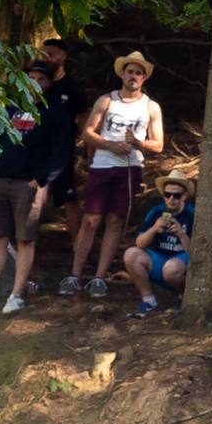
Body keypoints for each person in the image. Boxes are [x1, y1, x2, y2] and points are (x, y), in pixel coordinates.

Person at [0, 61, 72, 315]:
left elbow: (62, 151)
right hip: (0, 181)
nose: (34, 83)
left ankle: (17, 294)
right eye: (30, 78)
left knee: (24, 239)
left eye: (41, 79)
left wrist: (41, 180)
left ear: (49, 83)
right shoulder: (9, 108)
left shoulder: (54, 112)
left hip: (28, 184)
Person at [60, 50, 164, 299]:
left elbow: (158, 144)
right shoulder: (107, 100)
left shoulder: (150, 106)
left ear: (144, 78)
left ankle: (99, 277)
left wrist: (138, 143)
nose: (134, 76)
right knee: (91, 220)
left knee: (116, 221)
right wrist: (110, 145)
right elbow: (87, 132)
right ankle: (74, 274)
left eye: (139, 73)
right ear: (122, 74)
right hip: (103, 165)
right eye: (130, 71)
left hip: (130, 168)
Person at [123, 169, 195, 318]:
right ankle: (149, 300)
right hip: (159, 259)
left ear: (184, 196)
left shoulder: (192, 215)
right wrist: (154, 229)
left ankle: (185, 297)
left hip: (181, 262)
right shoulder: (156, 212)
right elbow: (140, 244)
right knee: (131, 254)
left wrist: (181, 234)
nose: (171, 199)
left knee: (171, 268)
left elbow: (196, 253)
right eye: (168, 195)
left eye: (176, 195)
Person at [39, 38, 92, 240]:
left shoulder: (72, 87)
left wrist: (89, 152)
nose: (46, 59)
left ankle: (77, 246)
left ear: (63, 56)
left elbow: (84, 121)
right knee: (34, 199)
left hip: (63, 154)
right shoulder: (38, 84)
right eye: (43, 54)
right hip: (36, 153)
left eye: (51, 54)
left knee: (70, 200)